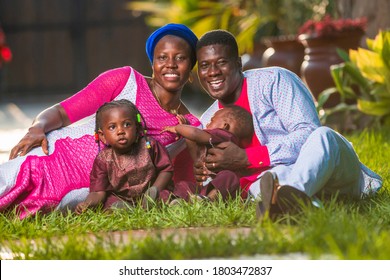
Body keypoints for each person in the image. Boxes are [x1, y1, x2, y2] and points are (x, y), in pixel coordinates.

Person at [0, 23, 200, 218]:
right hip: (51, 158)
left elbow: (183, 176)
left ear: (191, 65)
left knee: (18, 214)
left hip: (86, 193)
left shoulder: (189, 126)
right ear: (153, 63)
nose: (170, 64)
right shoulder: (125, 80)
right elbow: (62, 112)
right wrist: (38, 127)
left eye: (180, 58)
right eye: (162, 57)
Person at [195, 29, 383, 220]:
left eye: (221, 63)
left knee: (322, 135)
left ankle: (288, 199)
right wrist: (206, 170)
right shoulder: (207, 121)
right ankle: (296, 204)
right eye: (204, 66)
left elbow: (307, 133)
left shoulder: (274, 81)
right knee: (271, 179)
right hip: (274, 182)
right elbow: (220, 175)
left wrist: (248, 157)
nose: (213, 72)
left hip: (332, 173)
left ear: (238, 63)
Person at [75, 100, 173, 214]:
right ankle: (124, 210)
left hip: (152, 192)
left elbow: (166, 170)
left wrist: (155, 189)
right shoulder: (103, 159)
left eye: (127, 124)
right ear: (102, 136)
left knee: (166, 195)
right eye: (112, 127)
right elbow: (98, 192)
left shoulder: (149, 146)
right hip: (123, 199)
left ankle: (168, 205)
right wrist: (87, 203)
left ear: (137, 129)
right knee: (109, 203)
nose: (121, 131)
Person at [162, 105, 255, 201]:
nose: (207, 125)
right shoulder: (213, 141)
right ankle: (177, 200)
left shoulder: (224, 135)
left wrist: (178, 128)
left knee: (229, 177)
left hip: (216, 187)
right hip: (204, 188)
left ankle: (209, 200)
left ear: (225, 126)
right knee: (184, 185)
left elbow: (194, 133)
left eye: (212, 121)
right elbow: (195, 153)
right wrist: (186, 130)